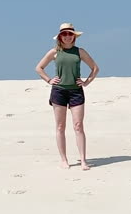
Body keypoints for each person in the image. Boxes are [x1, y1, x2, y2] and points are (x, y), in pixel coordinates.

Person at [34, 22, 99, 170]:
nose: (67, 37)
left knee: (78, 126)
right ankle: (64, 159)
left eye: (70, 34)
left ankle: (83, 160)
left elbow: (95, 68)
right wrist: (49, 80)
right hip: (59, 91)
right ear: (60, 37)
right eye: (64, 34)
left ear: (74, 36)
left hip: (76, 91)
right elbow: (39, 68)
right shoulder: (54, 52)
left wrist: (87, 82)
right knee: (60, 126)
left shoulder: (80, 52)